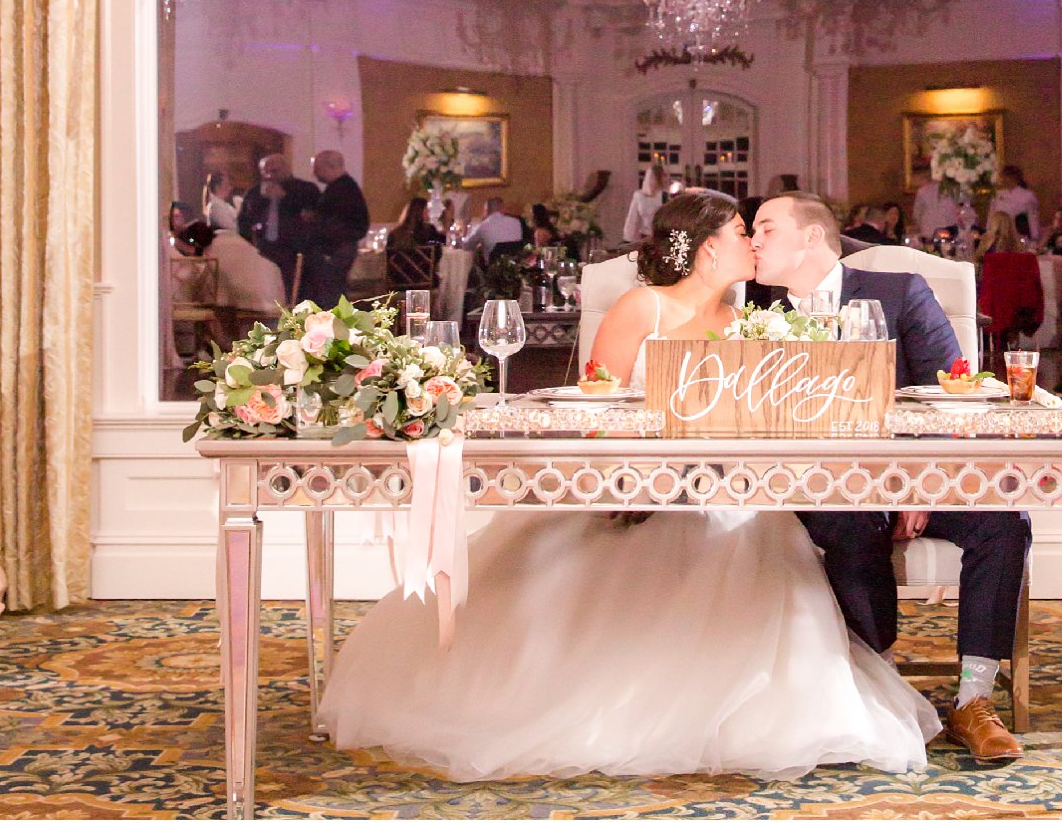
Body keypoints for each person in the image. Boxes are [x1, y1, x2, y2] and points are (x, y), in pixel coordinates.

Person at [317, 191, 939, 778]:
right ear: (708, 250)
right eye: (743, 233)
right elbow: (594, 408)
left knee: (763, 550)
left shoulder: (751, 316)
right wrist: (636, 482)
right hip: (631, 490)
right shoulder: (644, 307)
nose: (753, 244)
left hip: (729, 494)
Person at [749, 193, 1029, 764]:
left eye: (765, 229)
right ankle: (876, 685)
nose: (753, 241)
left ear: (809, 238)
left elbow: (951, 392)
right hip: (820, 486)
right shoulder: (756, 316)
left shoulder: (900, 292)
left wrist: (917, 483)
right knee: (850, 524)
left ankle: (974, 700)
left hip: (913, 470)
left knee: (1002, 520)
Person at [237, 154, 319, 300]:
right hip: (265, 249)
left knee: (296, 294)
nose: (270, 175)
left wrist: (285, 197)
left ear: (286, 169)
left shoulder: (306, 189)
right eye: (265, 171)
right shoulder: (255, 192)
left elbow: (315, 217)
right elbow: (244, 222)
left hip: (296, 251)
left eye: (275, 171)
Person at [977, 210, 1044, 361]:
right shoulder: (1018, 248)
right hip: (1017, 301)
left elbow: (979, 269)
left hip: (993, 301)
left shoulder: (988, 246)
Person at [306, 149, 370, 307]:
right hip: (339, 248)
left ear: (331, 166)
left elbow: (347, 223)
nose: (314, 173)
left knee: (331, 293)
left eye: (317, 168)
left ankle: (333, 326)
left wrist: (315, 220)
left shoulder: (343, 189)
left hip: (336, 250)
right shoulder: (342, 187)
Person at [989, 165, 1040, 242]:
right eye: (1003, 177)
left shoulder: (1027, 195)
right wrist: (989, 232)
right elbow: (991, 215)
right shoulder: (998, 194)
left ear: (1014, 178)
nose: (1003, 179)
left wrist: (1035, 237)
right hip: (998, 235)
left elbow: (1032, 218)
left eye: (1006, 177)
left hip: (1018, 234)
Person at [621, 161, 668, 245]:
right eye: (651, 177)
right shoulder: (639, 196)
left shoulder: (665, 196)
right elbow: (632, 218)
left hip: (662, 237)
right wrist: (628, 239)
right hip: (645, 237)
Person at [910, 170, 960, 242]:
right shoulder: (923, 191)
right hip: (929, 235)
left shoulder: (954, 190)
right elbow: (917, 215)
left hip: (950, 234)